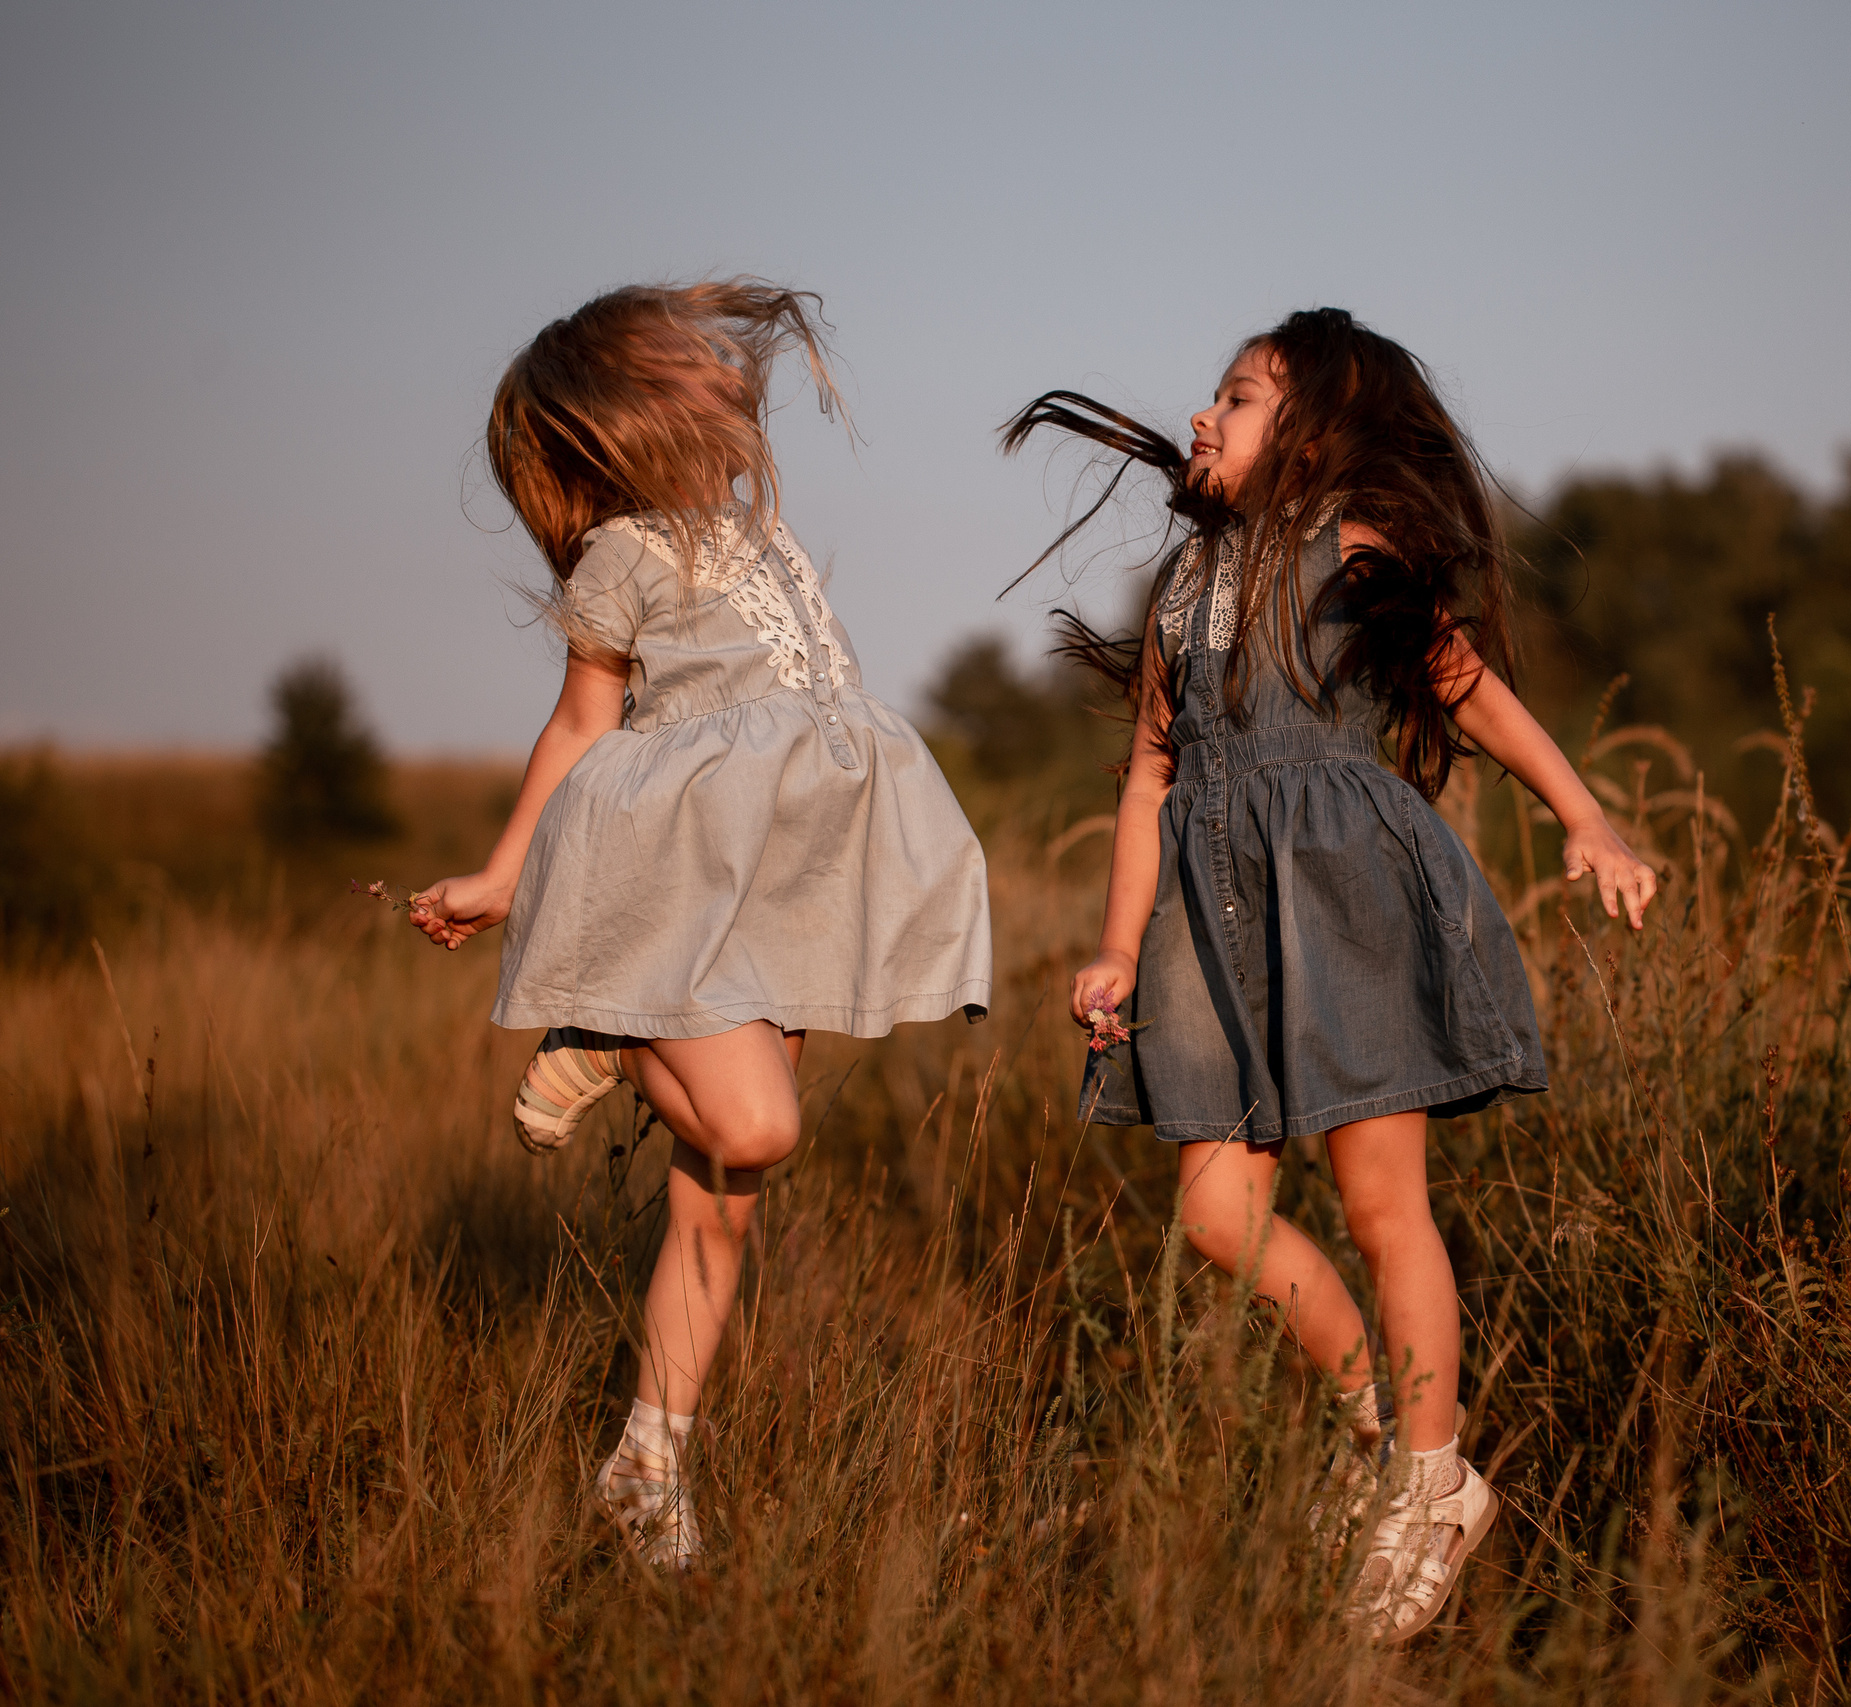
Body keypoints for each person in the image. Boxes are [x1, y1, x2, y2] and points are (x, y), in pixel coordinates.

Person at [1005, 308, 1653, 1642]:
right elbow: (1148, 779)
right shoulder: (1183, 591)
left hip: (1348, 903)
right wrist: (1119, 945)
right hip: (1213, 926)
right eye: (1214, 398)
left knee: (1380, 1207)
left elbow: (1463, 682)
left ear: (1310, 433)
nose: (1202, 416)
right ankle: (1380, 1422)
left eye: (1236, 398)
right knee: (1213, 1216)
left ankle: (1428, 1480)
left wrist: (1583, 813)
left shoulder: (1356, 552)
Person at [410, 281, 993, 1569]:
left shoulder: (760, 533)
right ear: (630, 420)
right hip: (682, 876)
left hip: (784, 880)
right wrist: (504, 876)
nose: (735, 394)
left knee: (723, 1197)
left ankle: (648, 1463)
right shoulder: (623, 556)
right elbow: (580, 725)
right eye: (698, 378)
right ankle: (609, 1029)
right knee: (756, 1125)